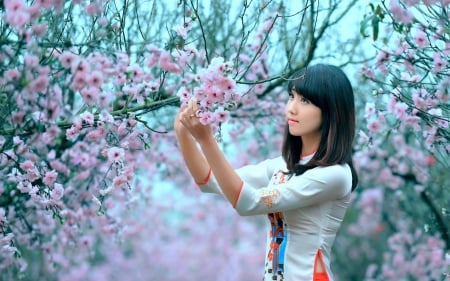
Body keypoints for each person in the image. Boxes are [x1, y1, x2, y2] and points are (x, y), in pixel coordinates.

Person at [173, 63, 358, 281]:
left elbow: (250, 202)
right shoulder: (282, 166)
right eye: (292, 97)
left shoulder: (335, 175)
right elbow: (211, 182)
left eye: (305, 101)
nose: (292, 108)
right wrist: (182, 132)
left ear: (331, 110)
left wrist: (206, 140)